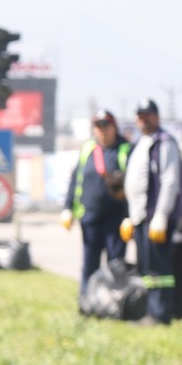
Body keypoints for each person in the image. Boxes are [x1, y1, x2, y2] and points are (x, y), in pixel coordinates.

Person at [122, 98, 182, 324]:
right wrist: (130, 216)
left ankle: (161, 313)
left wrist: (161, 214)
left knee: (159, 270)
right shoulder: (140, 144)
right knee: (145, 267)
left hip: (156, 218)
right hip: (140, 216)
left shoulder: (165, 143)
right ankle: (148, 309)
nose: (143, 120)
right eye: (139, 116)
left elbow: (170, 181)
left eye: (147, 115)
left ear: (156, 117)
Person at [60, 109, 131, 292]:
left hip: (116, 218)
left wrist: (129, 217)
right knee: (89, 264)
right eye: (98, 127)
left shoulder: (125, 149)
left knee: (116, 265)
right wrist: (67, 207)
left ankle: (115, 300)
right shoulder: (88, 149)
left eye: (106, 126)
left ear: (114, 127)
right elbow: (76, 178)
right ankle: (87, 300)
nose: (102, 131)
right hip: (90, 216)